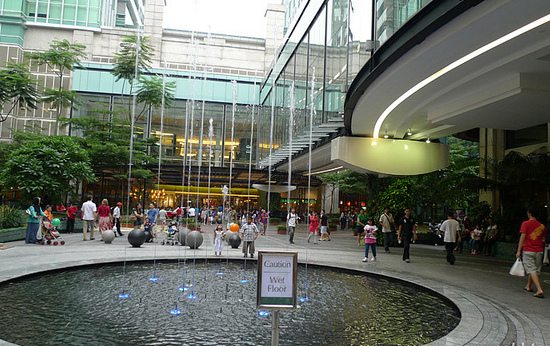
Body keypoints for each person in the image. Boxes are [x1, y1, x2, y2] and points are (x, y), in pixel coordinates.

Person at [516, 208, 545, 298]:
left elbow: (522, 237)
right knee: (535, 270)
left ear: (529, 214)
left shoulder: (525, 224)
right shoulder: (542, 226)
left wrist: (519, 250)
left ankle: (539, 289)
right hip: (539, 251)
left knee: (531, 270)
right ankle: (528, 286)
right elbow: (543, 239)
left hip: (528, 250)